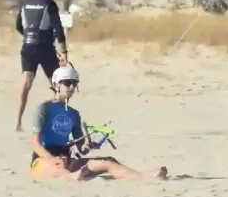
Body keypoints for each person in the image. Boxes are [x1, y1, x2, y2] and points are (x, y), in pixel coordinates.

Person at [30, 64, 168, 181]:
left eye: (74, 83)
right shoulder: (44, 108)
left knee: (108, 161)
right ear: (56, 84)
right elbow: (35, 143)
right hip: (43, 161)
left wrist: (88, 146)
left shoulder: (74, 114)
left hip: (66, 159)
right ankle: (73, 177)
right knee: (59, 168)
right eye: (67, 83)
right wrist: (52, 159)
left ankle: (143, 176)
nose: (71, 87)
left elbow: (81, 149)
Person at [15, 0, 69, 131]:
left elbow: (19, 26)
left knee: (26, 83)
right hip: (45, 48)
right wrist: (64, 51)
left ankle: (17, 122)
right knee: (58, 83)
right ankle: (56, 120)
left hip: (27, 48)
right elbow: (58, 28)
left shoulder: (25, 3)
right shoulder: (49, 4)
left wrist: (29, 36)